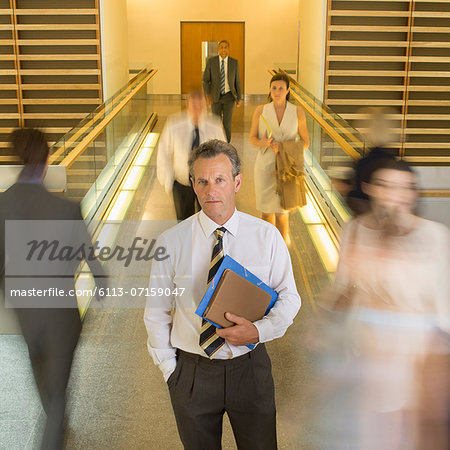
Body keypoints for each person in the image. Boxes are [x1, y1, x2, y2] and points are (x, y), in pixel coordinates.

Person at [144, 139, 301, 449]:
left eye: (219, 179)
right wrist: (170, 370)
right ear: (192, 184)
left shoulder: (266, 237)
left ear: (237, 182)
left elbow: (289, 297)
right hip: (192, 372)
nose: (210, 189)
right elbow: (156, 311)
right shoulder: (170, 241)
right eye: (201, 181)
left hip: (250, 368)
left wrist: (258, 330)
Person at [326, 159, 450, 449]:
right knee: (375, 431)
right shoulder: (355, 231)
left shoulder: (435, 236)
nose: (395, 194)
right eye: (386, 185)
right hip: (371, 356)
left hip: (417, 360)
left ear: (412, 194)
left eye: (404, 187)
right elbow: (345, 287)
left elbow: (443, 307)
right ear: (370, 189)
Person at [0, 128, 106, 450]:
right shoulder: (66, 210)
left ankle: (55, 425)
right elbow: (92, 261)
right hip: (62, 315)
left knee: (44, 379)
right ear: (47, 162)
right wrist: (101, 285)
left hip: (25, 312)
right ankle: (53, 435)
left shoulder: (2, 205)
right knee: (58, 390)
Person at [250, 73, 309, 245]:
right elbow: (252, 139)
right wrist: (265, 143)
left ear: (288, 90)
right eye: (274, 88)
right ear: (270, 89)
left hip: (287, 167)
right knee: (266, 212)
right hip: (265, 167)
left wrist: (284, 147)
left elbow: (305, 142)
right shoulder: (261, 111)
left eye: (281, 88)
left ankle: (282, 249)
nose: (277, 91)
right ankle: (267, 248)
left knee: (283, 212)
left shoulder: (297, 112)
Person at [157, 90, 226, 221]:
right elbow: (163, 153)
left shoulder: (214, 125)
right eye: (194, 105)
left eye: (201, 105)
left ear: (206, 106)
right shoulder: (174, 124)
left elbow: (224, 155)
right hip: (182, 183)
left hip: (208, 184)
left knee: (208, 220)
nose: (197, 109)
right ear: (188, 105)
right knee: (183, 222)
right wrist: (169, 182)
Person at [202, 40, 242, 143]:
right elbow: (205, 80)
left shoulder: (234, 62)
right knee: (215, 121)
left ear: (228, 49)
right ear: (218, 49)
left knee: (227, 122)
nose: (224, 49)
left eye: (226, 47)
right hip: (216, 96)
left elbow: (237, 81)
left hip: (229, 96)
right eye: (222, 47)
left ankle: (226, 143)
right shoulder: (211, 62)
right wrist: (208, 95)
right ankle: (216, 142)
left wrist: (239, 97)